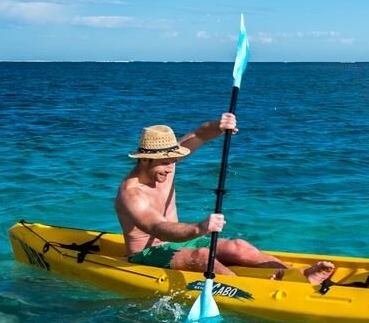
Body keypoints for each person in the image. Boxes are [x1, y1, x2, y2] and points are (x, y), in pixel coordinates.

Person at [115, 114, 335, 284]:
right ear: (145, 160)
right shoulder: (132, 193)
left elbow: (199, 135)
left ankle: (298, 276)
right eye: (165, 162)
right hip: (148, 253)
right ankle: (248, 290)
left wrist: (219, 126)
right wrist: (198, 228)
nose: (171, 167)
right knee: (202, 255)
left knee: (239, 247)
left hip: (181, 241)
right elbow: (159, 227)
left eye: (174, 160)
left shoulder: (165, 164)